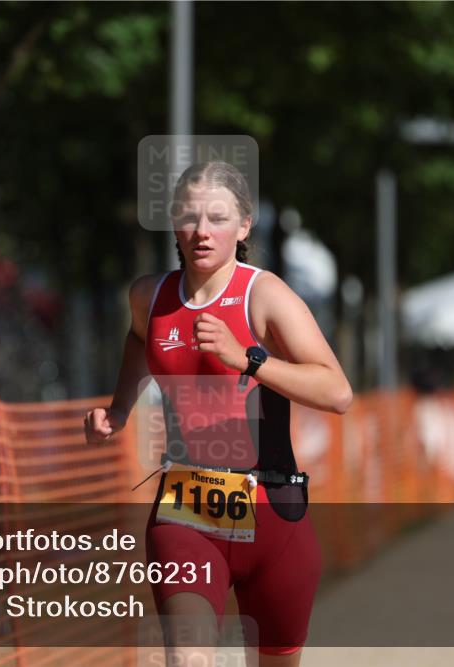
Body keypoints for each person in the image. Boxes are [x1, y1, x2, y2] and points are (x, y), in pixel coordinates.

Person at [84, 161, 352, 666]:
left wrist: (249, 358)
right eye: (189, 216)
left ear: (244, 225)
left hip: (275, 512)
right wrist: (119, 408)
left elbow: (337, 392)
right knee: (189, 660)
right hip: (185, 511)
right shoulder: (150, 296)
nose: (203, 231)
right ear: (173, 224)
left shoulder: (265, 296)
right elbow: (140, 338)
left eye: (218, 217)